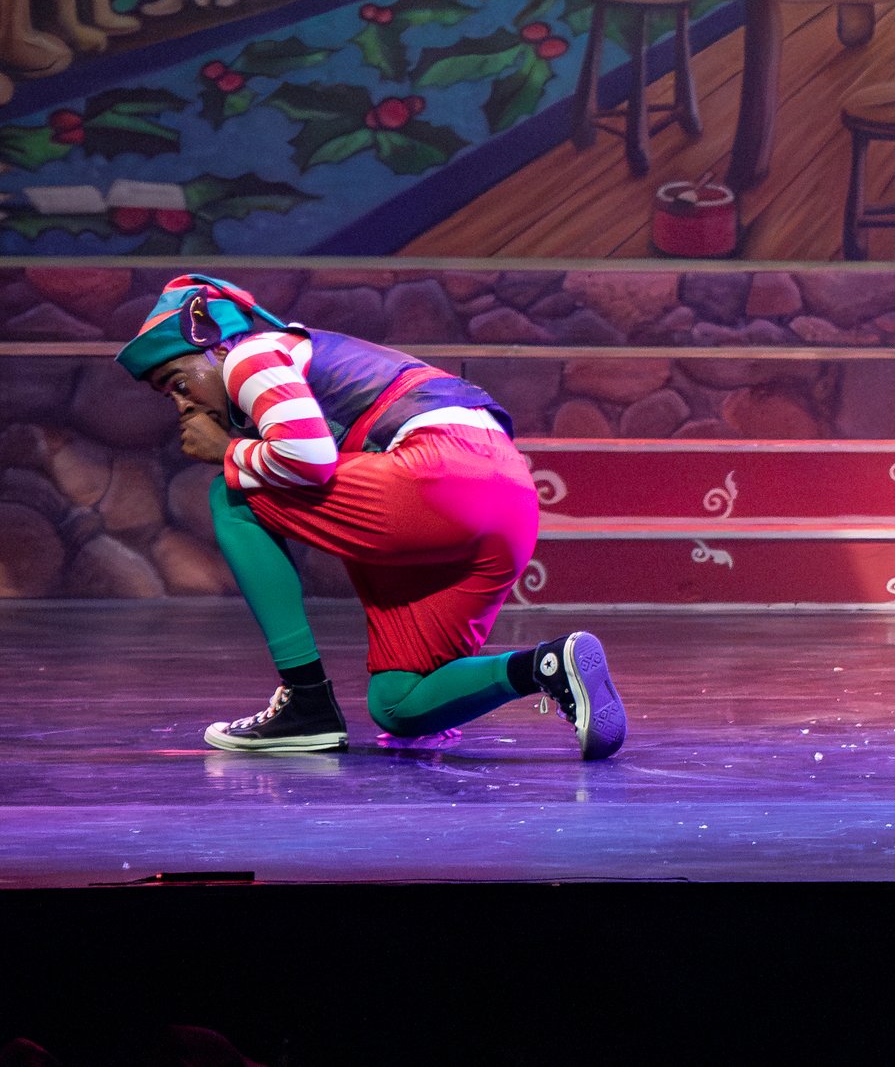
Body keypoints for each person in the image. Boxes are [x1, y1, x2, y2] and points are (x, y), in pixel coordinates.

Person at [115, 274, 626, 758]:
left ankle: (306, 699)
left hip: (440, 476)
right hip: (507, 502)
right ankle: (547, 665)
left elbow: (310, 459)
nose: (181, 405)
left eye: (178, 382)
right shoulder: (280, 366)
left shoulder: (249, 354)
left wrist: (227, 452)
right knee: (400, 702)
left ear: (216, 346)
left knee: (233, 495)